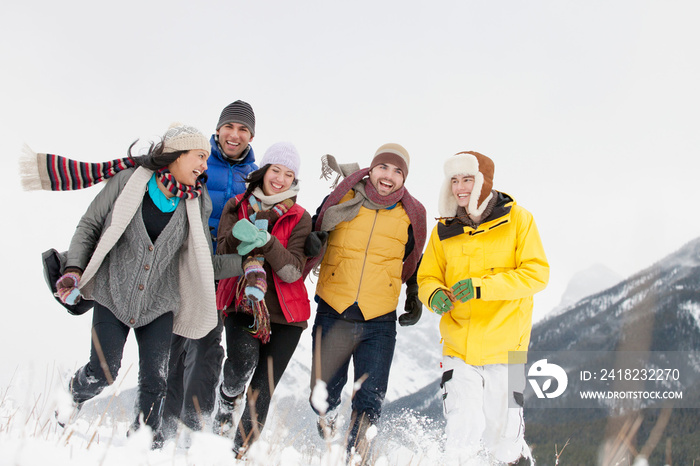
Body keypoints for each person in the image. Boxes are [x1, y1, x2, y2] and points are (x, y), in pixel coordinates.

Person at [21, 123, 243, 447]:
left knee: (156, 382)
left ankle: (143, 446)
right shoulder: (128, 181)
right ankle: (72, 393)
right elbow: (91, 224)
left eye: (207, 160)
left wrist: (247, 265)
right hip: (113, 293)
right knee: (104, 372)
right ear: (176, 156)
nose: (204, 166)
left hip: (159, 303)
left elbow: (201, 262)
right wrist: (73, 269)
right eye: (199, 156)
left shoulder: (197, 202)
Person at [416, 151, 549, 465]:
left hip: (508, 350)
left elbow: (536, 275)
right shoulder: (443, 230)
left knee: (505, 437)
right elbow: (428, 275)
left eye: (468, 179)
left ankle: (517, 457)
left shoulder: (519, 219)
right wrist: (433, 294)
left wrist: (481, 287)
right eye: (455, 180)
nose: (460, 187)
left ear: (484, 183)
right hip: (458, 347)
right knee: (463, 427)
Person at [303, 144, 427, 460]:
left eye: (398, 171)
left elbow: (413, 259)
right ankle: (327, 421)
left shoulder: (410, 215)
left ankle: (356, 457)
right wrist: (310, 246)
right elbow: (316, 230)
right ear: (372, 169)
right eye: (384, 167)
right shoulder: (341, 198)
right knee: (323, 395)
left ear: (404, 178)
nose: (389, 176)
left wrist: (414, 292)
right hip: (335, 308)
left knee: (370, 399)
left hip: (379, 318)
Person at [162, 100, 258, 436]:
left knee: (206, 343)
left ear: (251, 136)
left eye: (243, 129)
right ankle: (161, 425)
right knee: (174, 342)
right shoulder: (198, 161)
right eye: (229, 127)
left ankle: (193, 427)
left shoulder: (255, 175)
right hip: (185, 260)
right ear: (218, 130)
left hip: (222, 270)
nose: (235, 135)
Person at [213, 142, 312, 456]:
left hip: (287, 316)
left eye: (289, 174)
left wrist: (267, 241)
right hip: (243, 303)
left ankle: (237, 454)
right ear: (264, 171)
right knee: (241, 367)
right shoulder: (236, 205)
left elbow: (292, 271)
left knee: (262, 390)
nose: (281, 178)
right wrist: (243, 234)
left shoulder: (299, 216)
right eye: (276, 170)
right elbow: (223, 256)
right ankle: (228, 397)